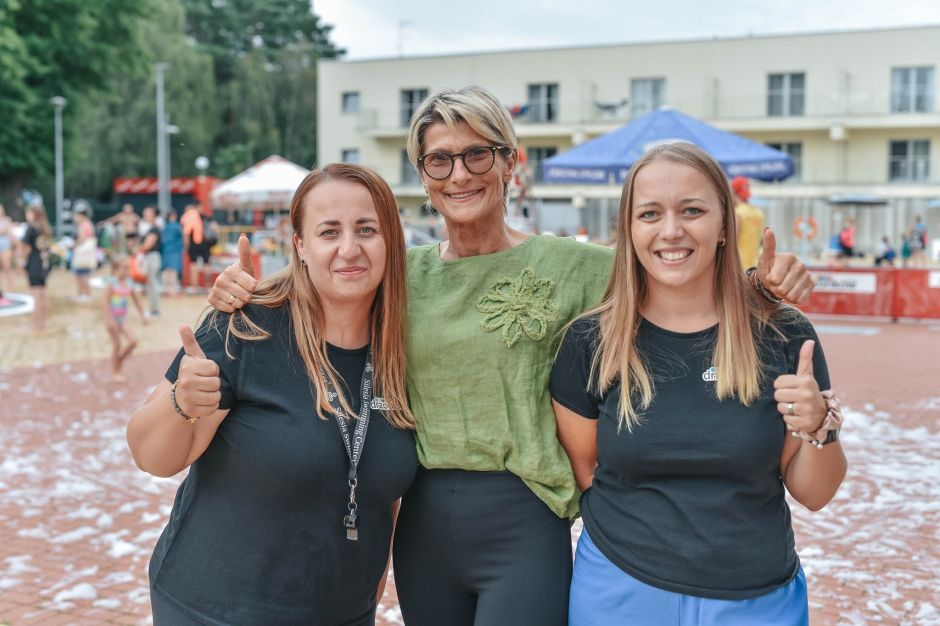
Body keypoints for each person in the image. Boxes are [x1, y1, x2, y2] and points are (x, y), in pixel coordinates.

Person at [207, 86, 816, 626]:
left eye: (478, 154)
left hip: (526, 519)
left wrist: (758, 284)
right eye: (440, 159)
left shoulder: (577, 267)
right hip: (423, 523)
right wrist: (244, 290)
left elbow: (672, 272)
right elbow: (319, 282)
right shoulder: (398, 273)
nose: (459, 174)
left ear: (509, 163)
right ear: (423, 174)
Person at [550, 142, 846, 626]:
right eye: (650, 213)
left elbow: (815, 493)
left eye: (692, 210)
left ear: (724, 224)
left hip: (757, 598)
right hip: (620, 590)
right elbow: (587, 474)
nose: (671, 230)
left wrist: (819, 427)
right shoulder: (590, 340)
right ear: (629, 228)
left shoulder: (784, 334)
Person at [126, 163, 417, 625]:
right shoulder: (247, 326)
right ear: (300, 245)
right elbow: (151, 456)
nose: (349, 248)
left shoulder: (404, 348)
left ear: (391, 240)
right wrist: (182, 403)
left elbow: (385, 496)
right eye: (329, 232)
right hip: (212, 610)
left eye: (367, 229)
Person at [103, 254, 146, 381]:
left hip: (123, 318)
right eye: (125, 268)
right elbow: (105, 302)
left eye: (129, 268)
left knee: (133, 341)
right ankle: (116, 371)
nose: (128, 271)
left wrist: (143, 315)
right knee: (117, 345)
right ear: (117, 269)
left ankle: (119, 360)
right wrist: (109, 319)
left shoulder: (129, 282)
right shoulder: (111, 283)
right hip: (112, 318)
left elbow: (136, 300)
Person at [20, 205, 52, 332]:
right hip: (44, 263)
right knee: (42, 295)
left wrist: (21, 261)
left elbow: (24, 246)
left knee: (36, 296)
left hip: (34, 264)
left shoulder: (31, 227)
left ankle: (35, 324)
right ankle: (42, 323)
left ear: (34, 214)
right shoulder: (45, 228)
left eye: (28, 213)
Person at [731, 175, 764, 269]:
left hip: (739, 265)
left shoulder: (737, 213)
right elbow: (760, 239)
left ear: (733, 192)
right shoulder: (758, 213)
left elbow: (732, 241)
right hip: (755, 265)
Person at [138, 206, 162, 317]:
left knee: (152, 284)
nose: (145, 214)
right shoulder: (151, 228)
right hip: (151, 257)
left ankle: (154, 310)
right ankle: (153, 309)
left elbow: (147, 245)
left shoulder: (154, 229)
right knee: (151, 283)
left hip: (152, 257)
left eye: (148, 212)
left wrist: (138, 250)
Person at [180, 204, 209, 292]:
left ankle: (194, 287)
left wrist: (186, 246)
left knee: (193, 264)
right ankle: (208, 286)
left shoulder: (188, 216)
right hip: (206, 242)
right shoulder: (203, 217)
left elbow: (186, 232)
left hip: (194, 243)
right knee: (206, 263)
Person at [71, 207, 97, 301]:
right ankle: (82, 294)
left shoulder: (84, 225)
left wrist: (73, 245)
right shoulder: (88, 224)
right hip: (86, 254)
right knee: (83, 275)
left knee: (83, 276)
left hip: (83, 255)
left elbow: (81, 239)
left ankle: (84, 294)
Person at [160, 208, 183, 295]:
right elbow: (183, 236)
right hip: (175, 251)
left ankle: (166, 289)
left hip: (165, 251)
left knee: (166, 270)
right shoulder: (177, 226)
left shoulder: (165, 227)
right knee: (173, 270)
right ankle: (173, 290)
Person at [0, 203, 15, 306]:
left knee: (7, 268)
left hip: (5, 247)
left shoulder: (6, 220)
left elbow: (10, 233)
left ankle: (11, 287)